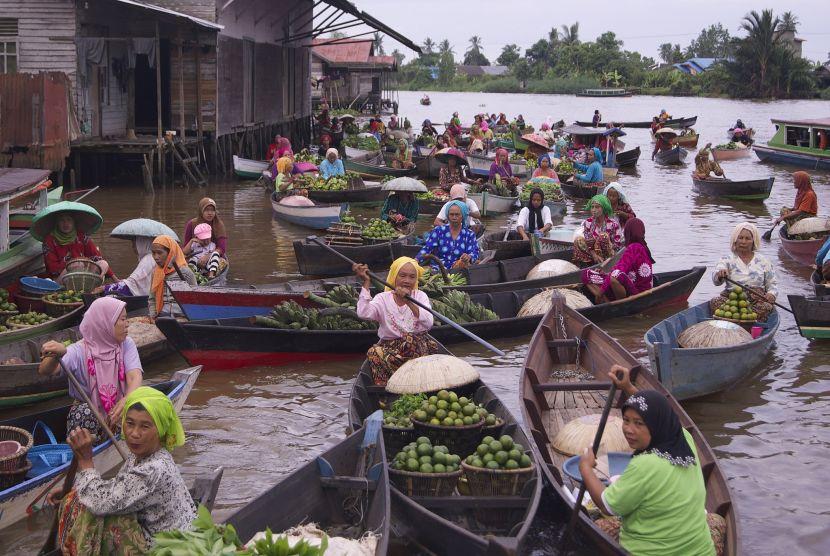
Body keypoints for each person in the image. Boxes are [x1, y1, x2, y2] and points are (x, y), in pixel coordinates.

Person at [580, 366, 726, 556]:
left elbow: (608, 505)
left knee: (597, 526)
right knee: (716, 520)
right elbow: (661, 412)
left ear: (655, 424)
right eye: (626, 420)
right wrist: (628, 387)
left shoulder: (645, 464)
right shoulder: (684, 440)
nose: (629, 430)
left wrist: (585, 468)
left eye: (639, 423)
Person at [53, 387, 197, 552]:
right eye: (129, 424)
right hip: (160, 538)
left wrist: (86, 461)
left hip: (169, 550)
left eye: (145, 426)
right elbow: (116, 489)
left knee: (100, 517)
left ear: (161, 430)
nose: (135, 433)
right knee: (81, 501)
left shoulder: (154, 469)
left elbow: (100, 503)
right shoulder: (139, 458)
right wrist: (74, 489)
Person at [38, 297, 142, 442]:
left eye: (126, 319)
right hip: (89, 419)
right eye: (123, 319)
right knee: (86, 412)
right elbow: (46, 370)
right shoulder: (78, 351)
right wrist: (56, 355)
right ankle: (86, 452)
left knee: (140, 404)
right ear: (105, 323)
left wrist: (125, 401)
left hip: (119, 410)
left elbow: (134, 377)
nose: (127, 324)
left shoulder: (125, 344)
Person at [354, 258, 439, 385]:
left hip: (416, 345)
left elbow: (428, 323)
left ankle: (415, 380)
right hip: (390, 348)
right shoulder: (382, 298)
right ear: (394, 276)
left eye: (412, 277)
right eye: (402, 275)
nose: (407, 281)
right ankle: (387, 388)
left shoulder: (420, 296)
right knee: (373, 352)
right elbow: (363, 313)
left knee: (410, 343)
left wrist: (408, 302)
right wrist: (366, 282)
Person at [712, 222, 776, 321]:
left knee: (766, 307)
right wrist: (720, 274)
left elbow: (772, 284)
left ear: (753, 241)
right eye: (740, 238)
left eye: (747, 239)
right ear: (735, 240)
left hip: (757, 301)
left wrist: (771, 294)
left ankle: (747, 322)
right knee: (715, 302)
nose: (743, 242)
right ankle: (735, 320)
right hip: (732, 300)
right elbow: (716, 280)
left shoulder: (764, 261)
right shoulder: (726, 259)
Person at [583, 218, 654, 302]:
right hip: (640, 287)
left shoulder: (633, 247)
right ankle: (608, 301)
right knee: (601, 274)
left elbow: (618, 271)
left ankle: (613, 303)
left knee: (588, 274)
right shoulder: (643, 246)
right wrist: (605, 274)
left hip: (637, 292)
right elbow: (627, 269)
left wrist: (601, 292)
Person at [42, 213, 114, 281]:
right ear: (57, 223)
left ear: (74, 222)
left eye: (69, 220)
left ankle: (95, 284)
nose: (66, 224)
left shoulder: (82, 236)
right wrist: (74, 263)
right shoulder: (49, 240)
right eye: (62, 220)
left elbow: (97, 257)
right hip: (59, 278)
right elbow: (53, 269)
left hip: (83, 275)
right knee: (78, 264)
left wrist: (115, 279)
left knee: (103, 263)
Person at [417, 201, 479, 270]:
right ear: (448, 216)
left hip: (459, 270)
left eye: (457, 214)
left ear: (463, 216)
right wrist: (416, 261)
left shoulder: (469, 234)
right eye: (451, 214)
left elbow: (474, 252)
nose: (454, 217)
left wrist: (469, 257)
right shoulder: (439, 231)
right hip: (437, 268)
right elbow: (427, 249)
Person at [149, 235, 197, 318]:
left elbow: (196, 298)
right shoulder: (156, 273)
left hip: (182, 316)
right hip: (162, 315)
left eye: (159, 253)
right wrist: (153, 316)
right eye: (153, 253)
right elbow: (152, 298)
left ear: (170, 253)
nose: (156, 257)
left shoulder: (185, 273)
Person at [573, 195, 622, 266]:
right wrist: (594, 254)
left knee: (603, 236)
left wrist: (598, 241)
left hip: (608, 255)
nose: (594, 210)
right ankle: (588, 264)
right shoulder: (588, 222)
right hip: (593, 254)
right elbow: (588, 241)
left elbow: (617, 245)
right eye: (592, 207)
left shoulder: (613, 224)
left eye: (597, 207)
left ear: (604, 208)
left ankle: (603, 263)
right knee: (578, 240)